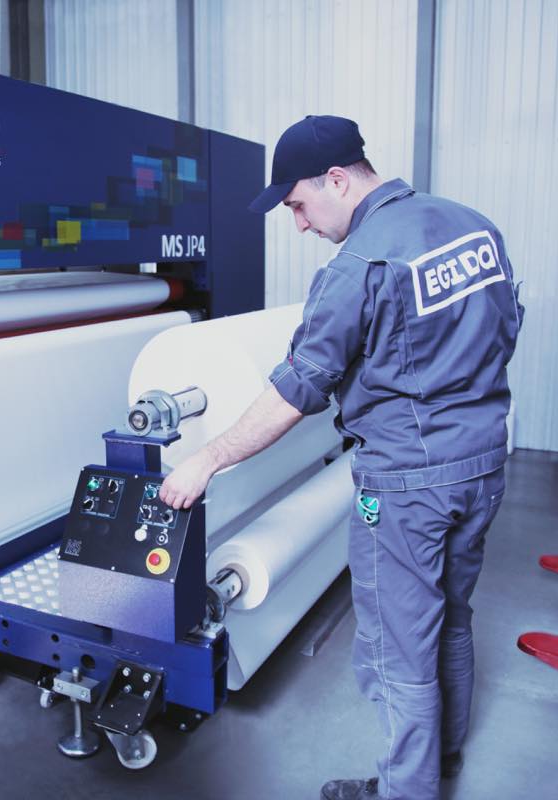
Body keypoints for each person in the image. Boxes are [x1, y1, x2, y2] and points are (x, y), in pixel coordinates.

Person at [158, 115, 523, 800]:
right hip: (483, 463)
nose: (299, 224)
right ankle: (441, 758)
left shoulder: (359, 267)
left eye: (298, 205)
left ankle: (406, 791)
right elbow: (505, 330)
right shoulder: (475, 228)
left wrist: (206, 460)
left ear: (336, 179)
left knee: (397, 649)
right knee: (453, 615)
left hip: (408, 485)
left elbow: (296, 390)